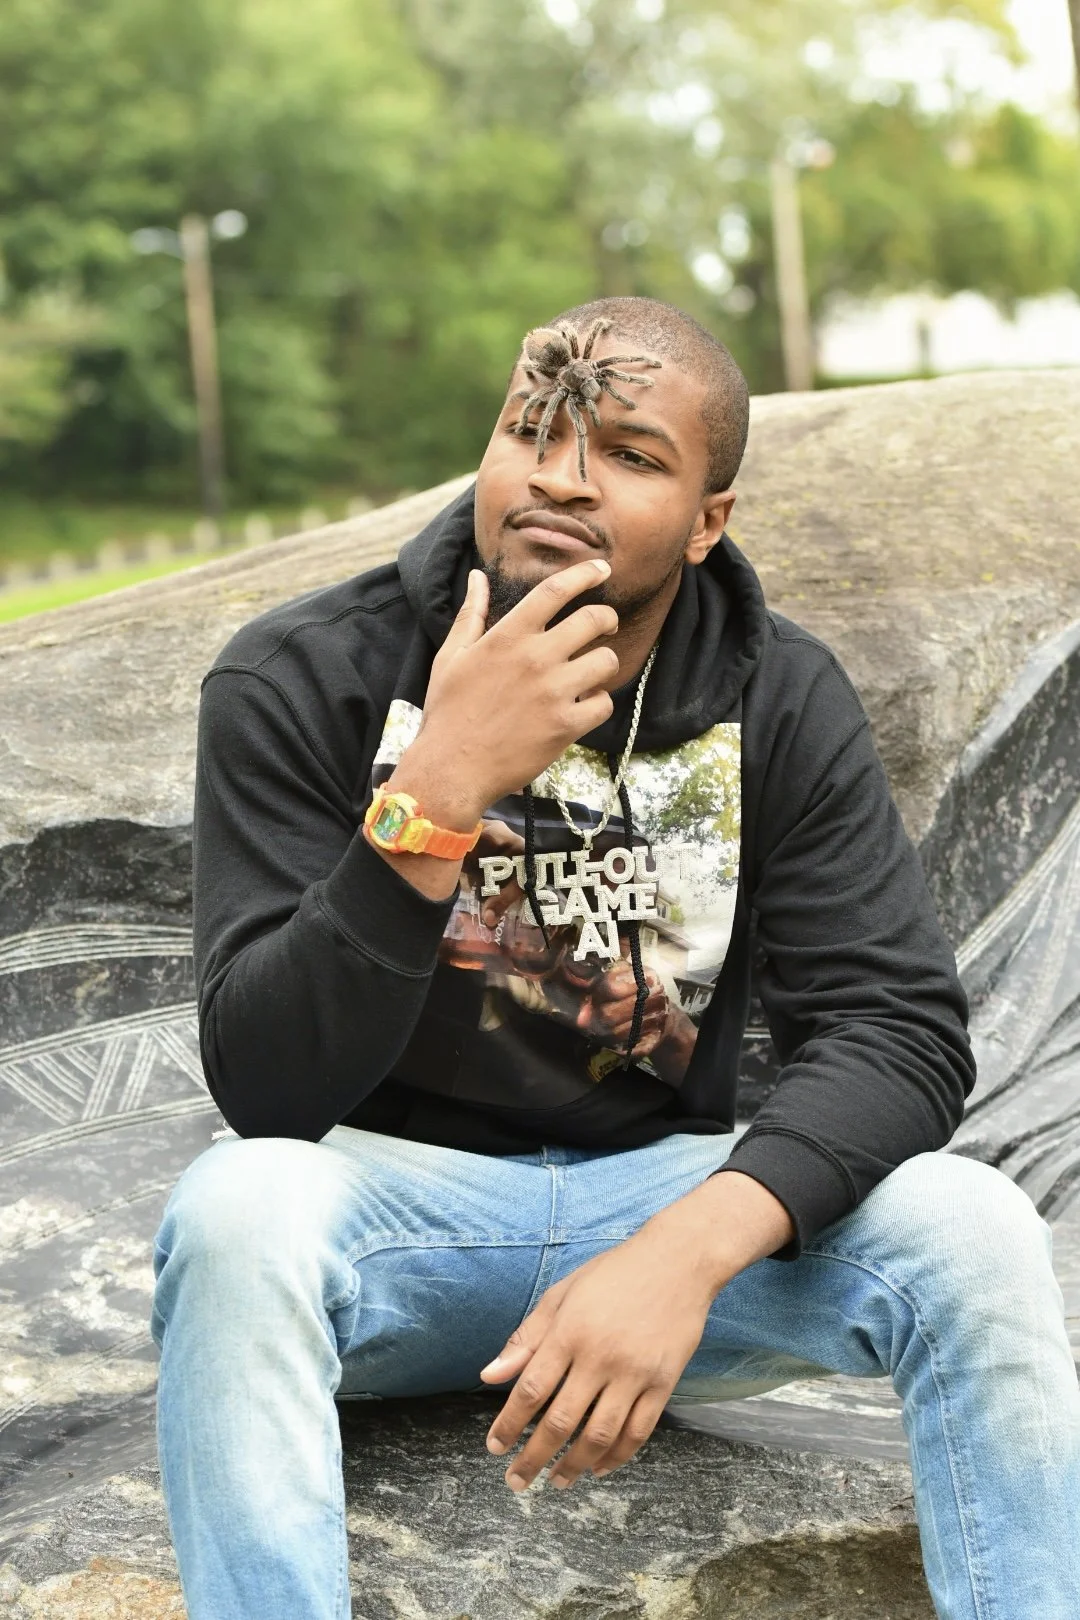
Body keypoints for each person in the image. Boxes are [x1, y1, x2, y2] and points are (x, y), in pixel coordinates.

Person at [151, 297, 1080, 1620]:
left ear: (709, 518)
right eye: (531, 430)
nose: (563, 480)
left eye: (633, 456)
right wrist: (438, 790)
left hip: (667, 1214)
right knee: (235, 1211)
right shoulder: (303, 674)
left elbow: (899, 1029)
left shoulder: (779, 694)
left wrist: (680, 1258)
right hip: (396, 1226)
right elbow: (267, 1087)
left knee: (976, 1226)